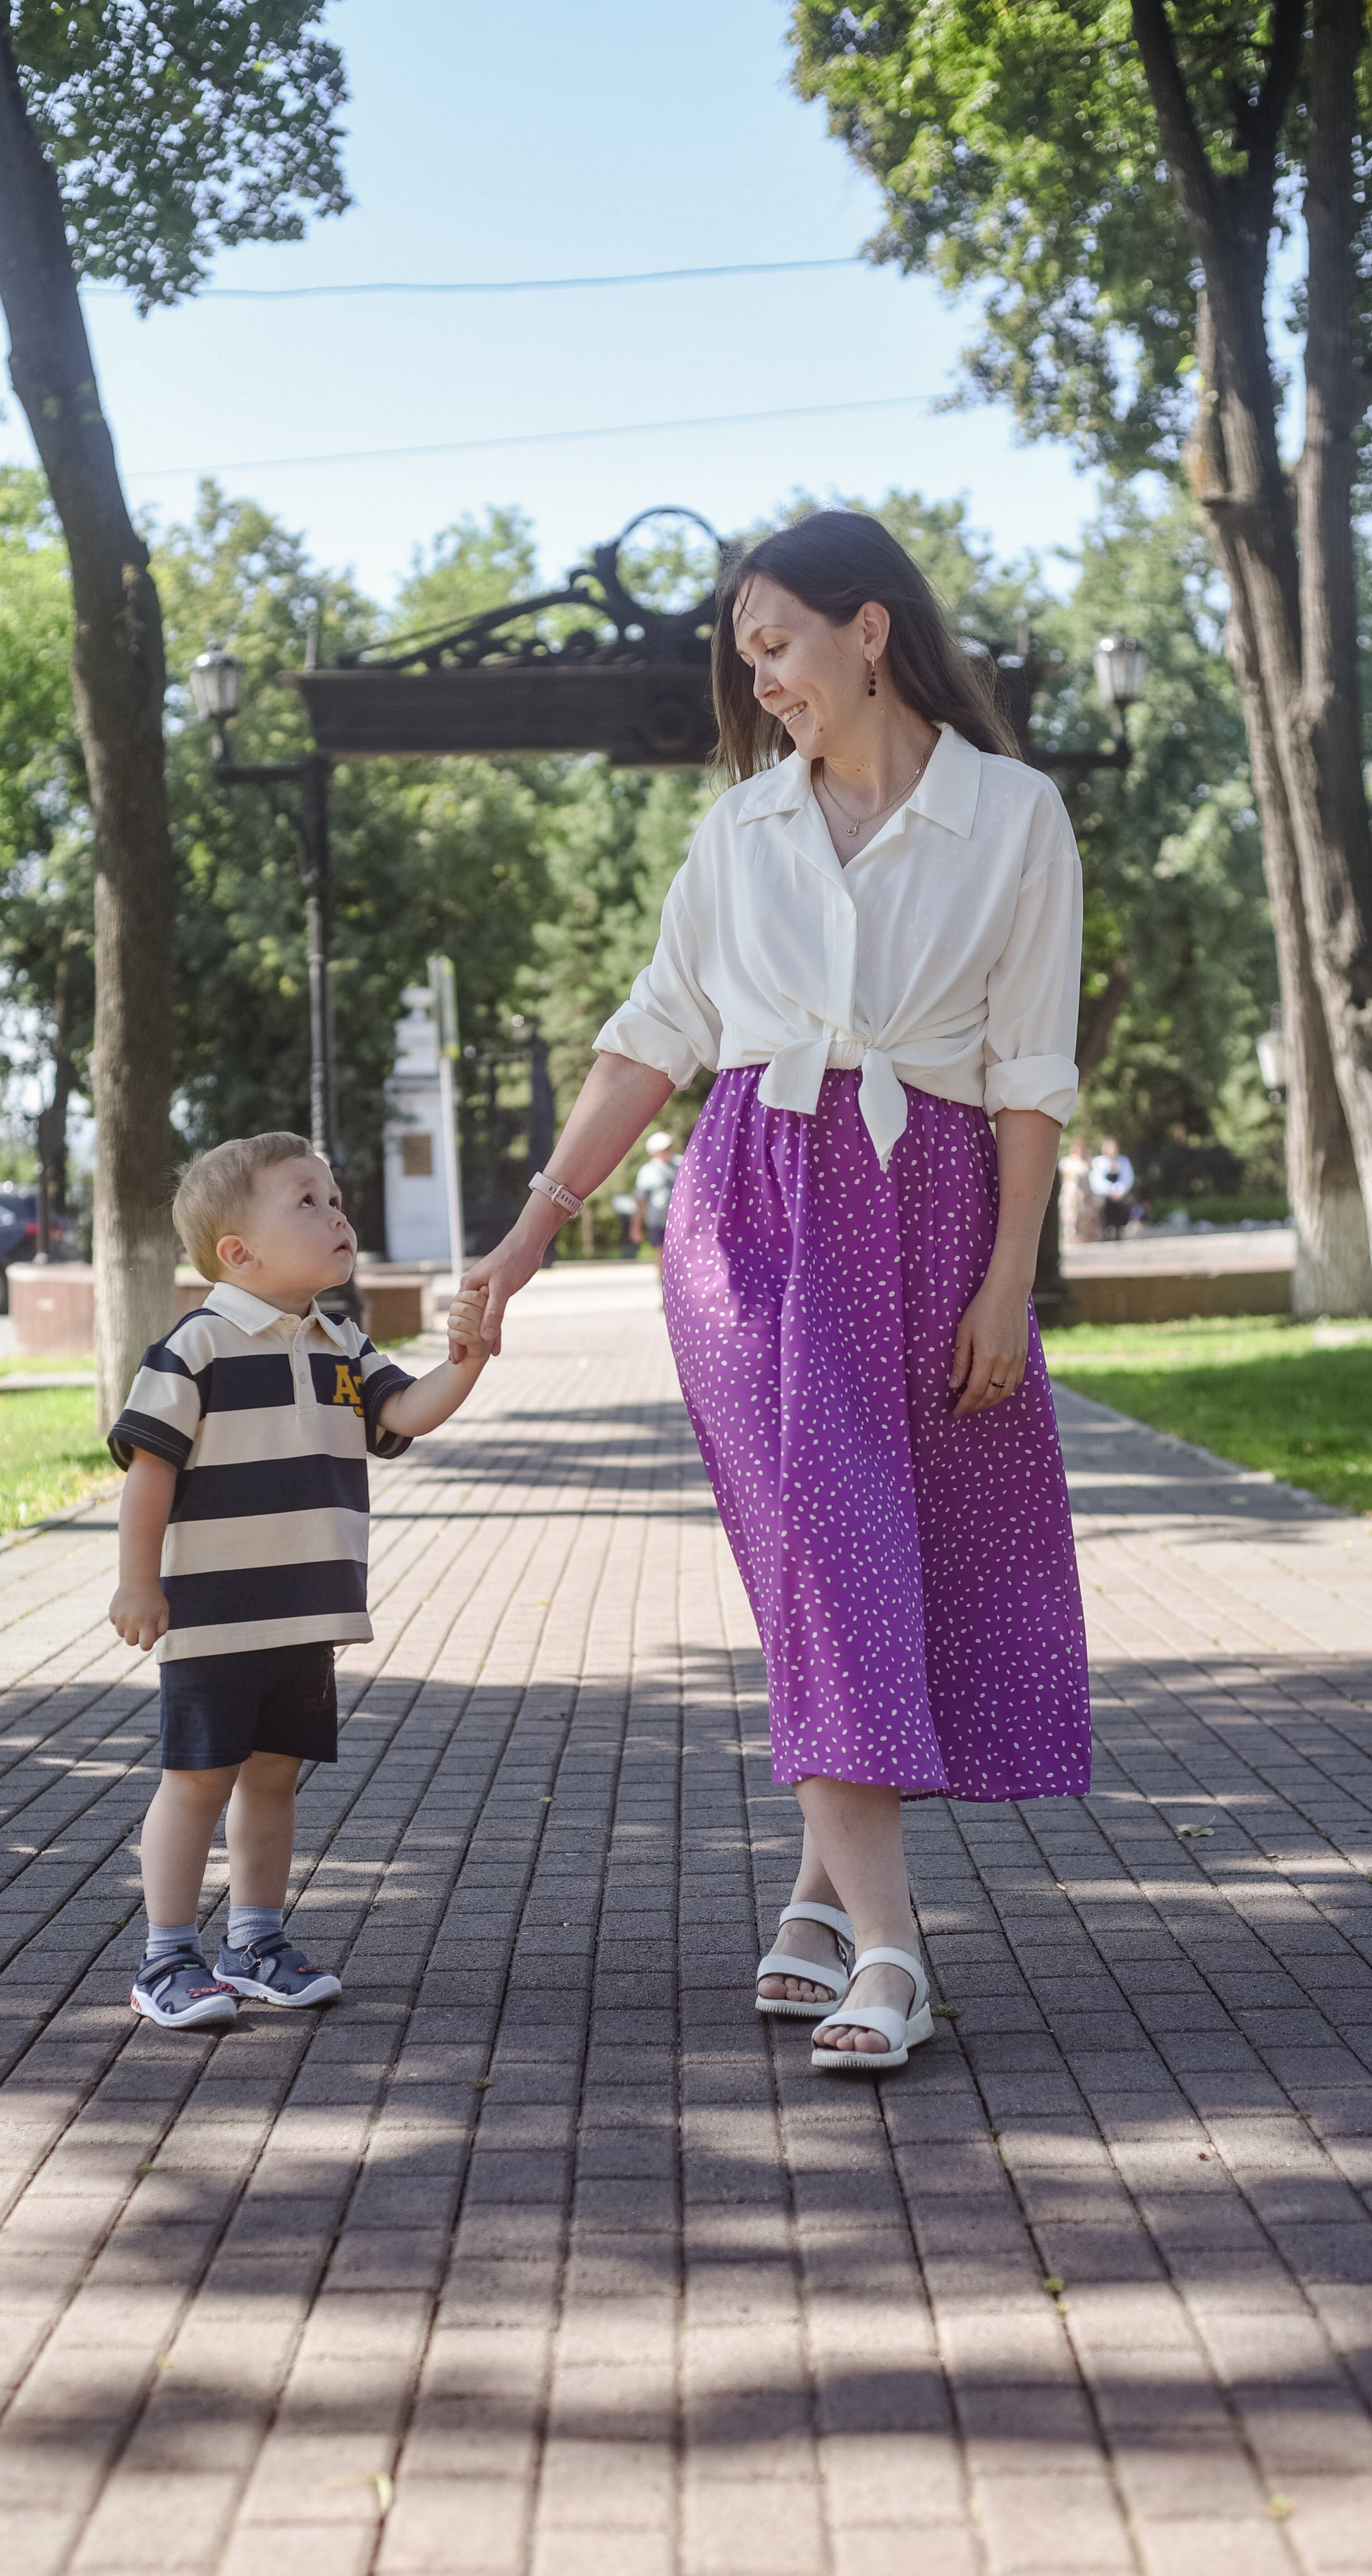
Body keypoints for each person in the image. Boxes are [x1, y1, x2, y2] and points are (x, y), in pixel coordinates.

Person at [463, 509, 1089, 2073]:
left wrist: (1008, 1280)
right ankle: (889, 1947)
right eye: (744, 655)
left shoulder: (1012, 816)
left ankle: (814, 1903)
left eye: (777, 644)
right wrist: (521, 1240)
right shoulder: (738, 831)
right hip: (748, 1207)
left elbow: (1026, 1073)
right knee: (820, 1551)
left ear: (865, 630)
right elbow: (649, 1036)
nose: (761, 681)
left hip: (937, 1200)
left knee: (903, 1557)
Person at [107, 1130, 489, 2029]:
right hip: (214, 1608)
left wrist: (467, 1360)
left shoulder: (338, 1338)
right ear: (238, 1253)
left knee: (272, 1777)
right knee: (197, 1777)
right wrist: (137, 1583)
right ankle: (165, 1957)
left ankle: (254, 1941)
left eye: (334, 1194)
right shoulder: (193, 1348)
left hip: (302, 1611)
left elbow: (403, 1414)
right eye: (306, 1201)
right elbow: (148, 1471)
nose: (336, 1212)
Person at [632, 1128, 682, 1294]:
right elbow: (640, 1202)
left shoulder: (682, 1163)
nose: (667, 1151)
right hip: (658, 1222)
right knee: (661, 1261)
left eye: (668, 1147)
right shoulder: (647, 1172)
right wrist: (636, 1228)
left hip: (682, 1222)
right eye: (663, 1148)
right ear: (654, 1152)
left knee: (683, 1260)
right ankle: (666, 1295)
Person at [1089, 1135, 1135, 1239]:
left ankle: (1120, 1230)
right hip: (1103, 1195)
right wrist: (1110, 1190)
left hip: (1120, 1194)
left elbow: (1128, 1178)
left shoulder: (1123, 1161)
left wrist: (1119, 1190)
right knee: (1102, 1206)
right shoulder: (1099, 1162)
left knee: (1125, 1205)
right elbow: (1097, 1181)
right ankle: (1105, 1232)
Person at [1059, 1134, 1101, 1245]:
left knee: (1083, 1216)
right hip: (1069, 1193)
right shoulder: (1066, 1162)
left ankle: (1083, 1235)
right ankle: (1069, 1236)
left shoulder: (1085, 1164)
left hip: (1082, 1194)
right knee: (1069, 1215)